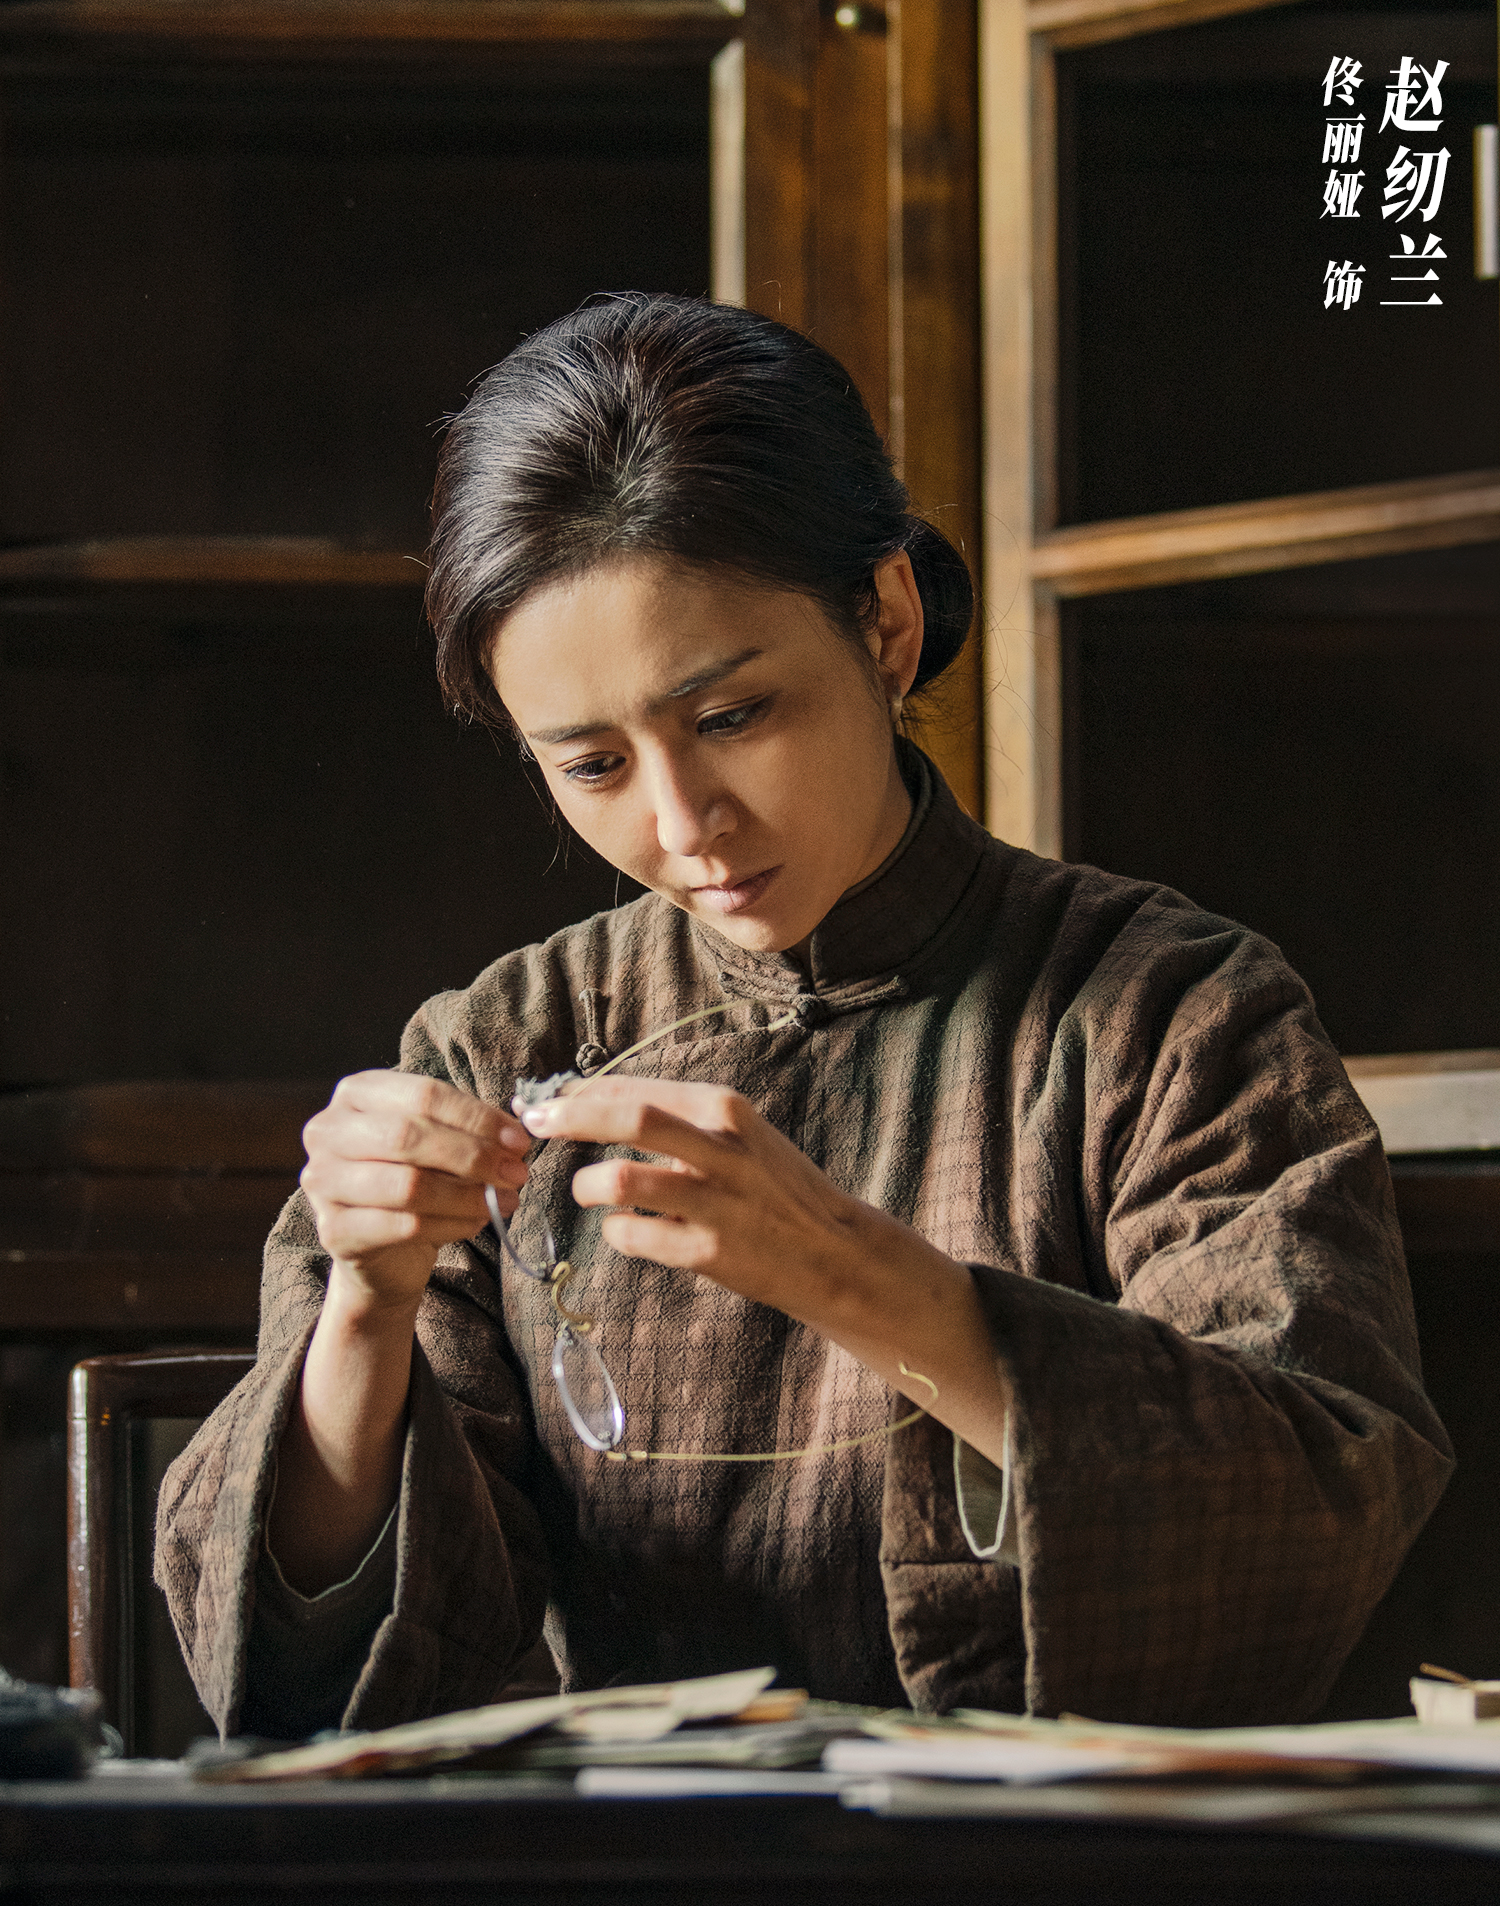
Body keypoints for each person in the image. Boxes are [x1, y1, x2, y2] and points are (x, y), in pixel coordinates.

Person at [156, 294, 1451, 1740]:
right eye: (590, 766)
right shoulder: (496, 1046)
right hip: (661, 1890)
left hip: (1070, 1893)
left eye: (731, 717)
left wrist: (874, 1287)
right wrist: (367, 1310)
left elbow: (1320, 1510)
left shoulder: (1169, 1012)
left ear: (885, 625)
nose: (683, 822)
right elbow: (315, 1681)